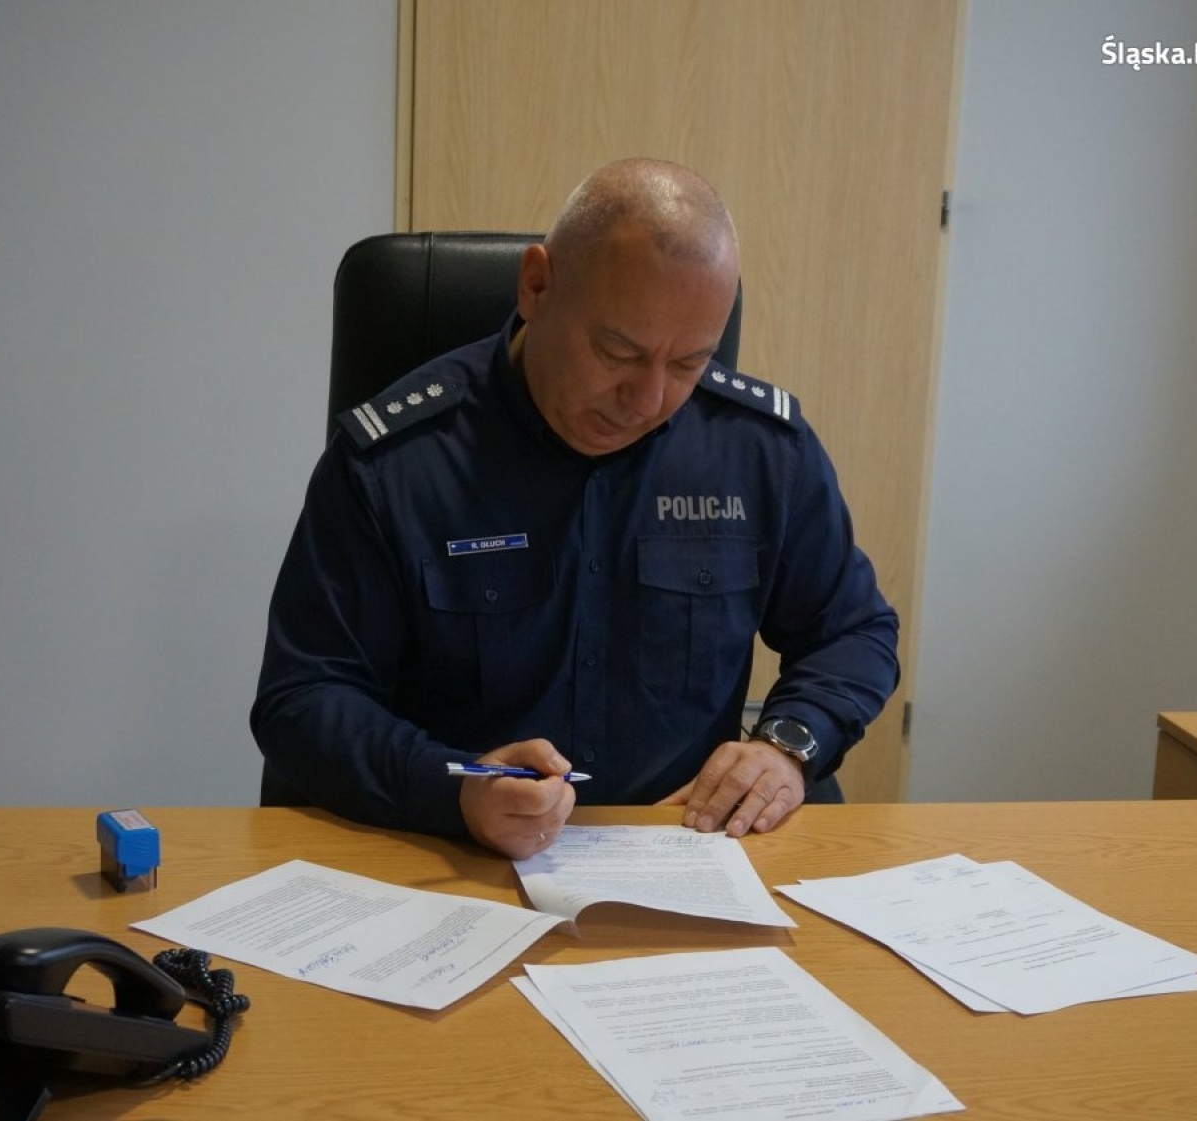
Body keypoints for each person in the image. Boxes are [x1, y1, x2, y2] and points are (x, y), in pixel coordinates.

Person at [252, 158, 899, 859]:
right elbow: (304, 697)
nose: (648, 400)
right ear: (537, 286)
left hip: (681, 853)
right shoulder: (395, 464)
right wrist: (455, 788)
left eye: (688, 363)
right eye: (618, 351)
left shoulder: (760, 452)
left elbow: (853, 630)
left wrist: (787, 745)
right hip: (451, 858)